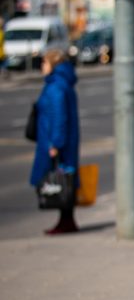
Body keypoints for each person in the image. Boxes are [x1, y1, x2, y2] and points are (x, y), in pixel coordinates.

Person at [31, 48, 80, 235]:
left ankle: (66, 221)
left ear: (52, 64)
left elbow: (59, 116)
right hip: (60, 140)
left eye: (44, 62)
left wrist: (55, 144)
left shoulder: (56, 86)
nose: (42, 66)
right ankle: (66, 220)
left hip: (56, 142)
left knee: (60, 180)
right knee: (64, 179)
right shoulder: (61, 83)